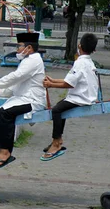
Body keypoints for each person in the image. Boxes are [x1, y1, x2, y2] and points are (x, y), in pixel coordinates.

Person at [0, 32, 47, 169]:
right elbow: (18, 83)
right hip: (23, 98)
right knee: (1, 111)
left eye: (19, 46)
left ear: (29, 48)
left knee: (5, 113)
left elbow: (16, 76)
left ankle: (5, 152)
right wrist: (2, 91)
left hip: (32, 100)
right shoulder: (28, 61)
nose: (17, 49)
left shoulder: (33, 60)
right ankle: (3, 150)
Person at [42, 33, 99, 161]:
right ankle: (58, 139)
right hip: (87, 95)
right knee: (61, 107)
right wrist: (53, 80)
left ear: (79, 46)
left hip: (81, 98)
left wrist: (51, 85)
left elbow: (69, 84)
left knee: (56, 110)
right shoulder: (89, 62)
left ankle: (56, 142)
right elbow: (71, 80)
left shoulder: (79, 63)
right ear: (94, 50)